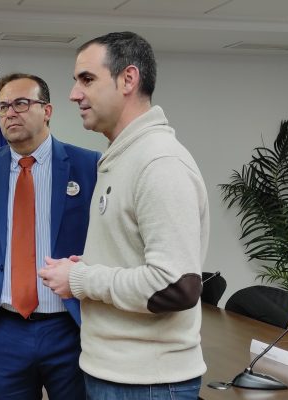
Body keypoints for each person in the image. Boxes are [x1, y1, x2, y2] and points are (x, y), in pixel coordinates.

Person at [39, 31, 209, 399]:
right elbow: (136, 257)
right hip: (115, 373)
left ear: (128, 79)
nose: (74, 94)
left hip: (147, 383)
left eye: (87, 79)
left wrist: (82, 279)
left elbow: (174, 286)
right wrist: (91, 263)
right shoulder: (121, 158)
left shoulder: (159, 162)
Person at [0, 73, 99, 399]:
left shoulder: (88, 165)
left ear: (47, 110)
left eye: (21, 103)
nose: (10, 113)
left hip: (69, 328)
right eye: (3, 106)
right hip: (3, 331)